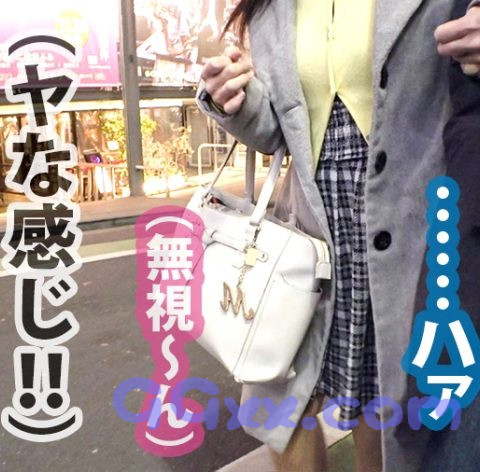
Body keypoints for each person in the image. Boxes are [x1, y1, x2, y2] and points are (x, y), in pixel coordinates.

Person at [196, 1, 480, 471]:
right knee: (284, 393)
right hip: (312, 233)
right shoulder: (270, 10)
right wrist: (236, 99)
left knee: (386, 398)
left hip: (415, 228)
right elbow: (279, 132)